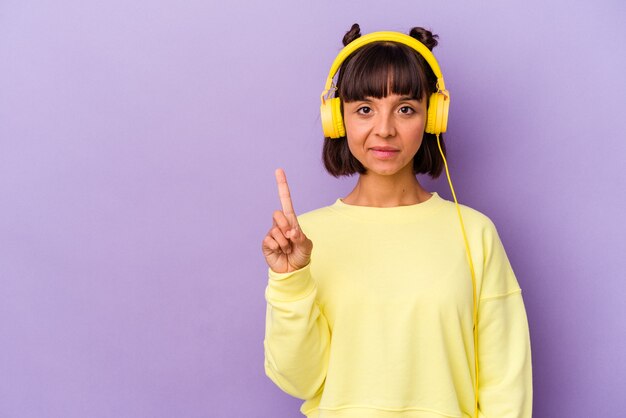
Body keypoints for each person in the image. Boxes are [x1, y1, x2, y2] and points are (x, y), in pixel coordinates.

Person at [261, 23, 532, 418]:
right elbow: (299, 380)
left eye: (405, 109)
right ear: (337, 120)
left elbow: (506, 385)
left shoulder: (475, 233)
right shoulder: (305, 239)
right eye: (365, 109)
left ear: (433, 117)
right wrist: (289, 281)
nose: (384, 129)